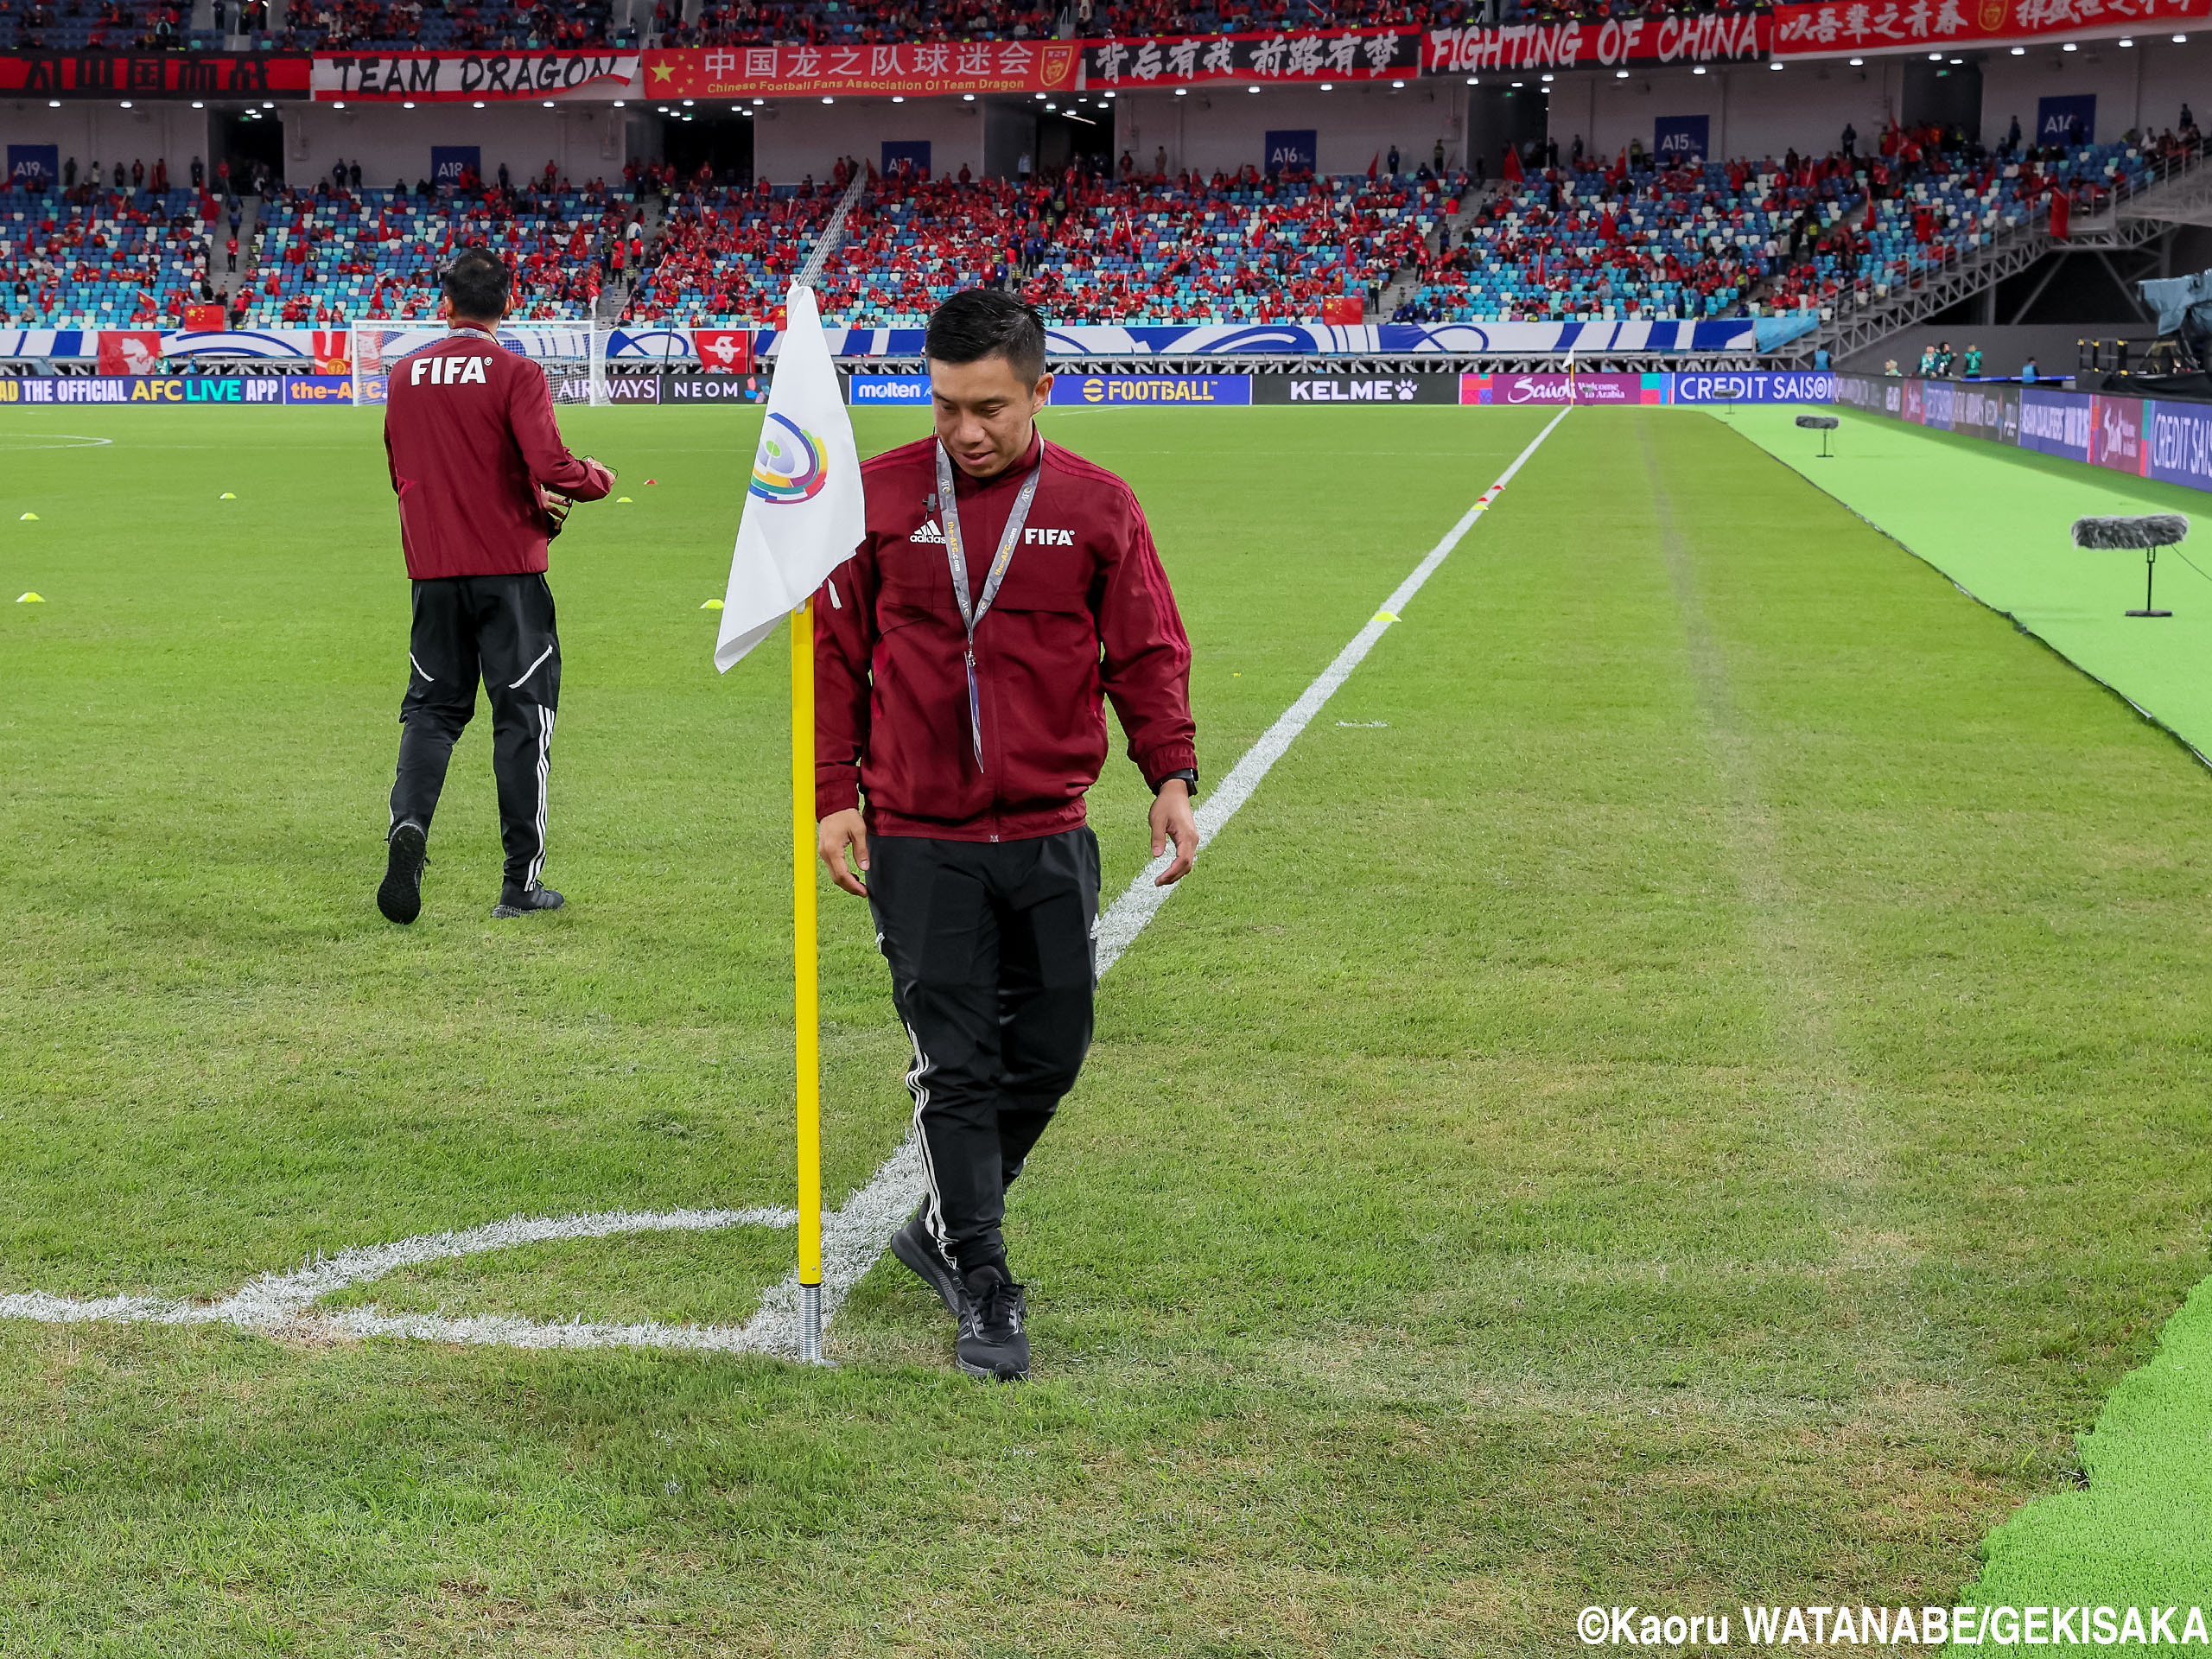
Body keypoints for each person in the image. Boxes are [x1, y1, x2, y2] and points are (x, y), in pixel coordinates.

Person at [814, 290, 1198, 1383]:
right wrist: (832, 794)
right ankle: (980, 1273)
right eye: (944, 407)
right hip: (917, 835)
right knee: (958, 1061)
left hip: (1046, 828)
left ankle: (939, 1223)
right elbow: (834, 657)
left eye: (989, 408)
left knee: (1053, 1045)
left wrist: (1168, 775)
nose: (965, 431)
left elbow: (1146, 649)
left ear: (1040, 390)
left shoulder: (1095, 506)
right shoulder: (879, 498)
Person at [375, 249, 615, 925]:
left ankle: (409, 828)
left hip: (432, 573)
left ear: (443, 304)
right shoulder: (517, 371)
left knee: (430, 710)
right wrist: (596, 478)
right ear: (506, 307)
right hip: (509, 574)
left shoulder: (402, 374)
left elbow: (399, 469)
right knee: (523, 716)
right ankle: (519, 884)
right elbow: (550, 463)